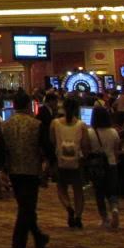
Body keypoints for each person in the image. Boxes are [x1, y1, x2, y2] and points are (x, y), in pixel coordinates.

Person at [0, 91, 50, 248]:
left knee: (26, 206)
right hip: (31, 170)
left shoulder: (5, 125)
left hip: (14, 171)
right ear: (28, 105)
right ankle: (17, 246)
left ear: (13, 106)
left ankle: (38, 237)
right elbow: (46, 148)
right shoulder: (36, 124)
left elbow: (0, 151)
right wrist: (48, 165)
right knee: (27, 207)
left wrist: (1, 170)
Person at [51, 97, 89, 228]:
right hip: (77, 162)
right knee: (78, 191)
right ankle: (78, 217)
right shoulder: (82, 125)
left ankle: (68, 207)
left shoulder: (55, 123)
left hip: (60, 160)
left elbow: (52, 141)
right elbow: (85, 145)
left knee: (61, 188)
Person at [87, 104, 121, 230]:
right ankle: (115, 208)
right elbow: (117, 150)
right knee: (112, 190)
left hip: (97, 166)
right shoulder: (113, 132)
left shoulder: (90, 132)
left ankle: (104, 218)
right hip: (111, 164)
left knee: (99, 192)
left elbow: (87, 150)